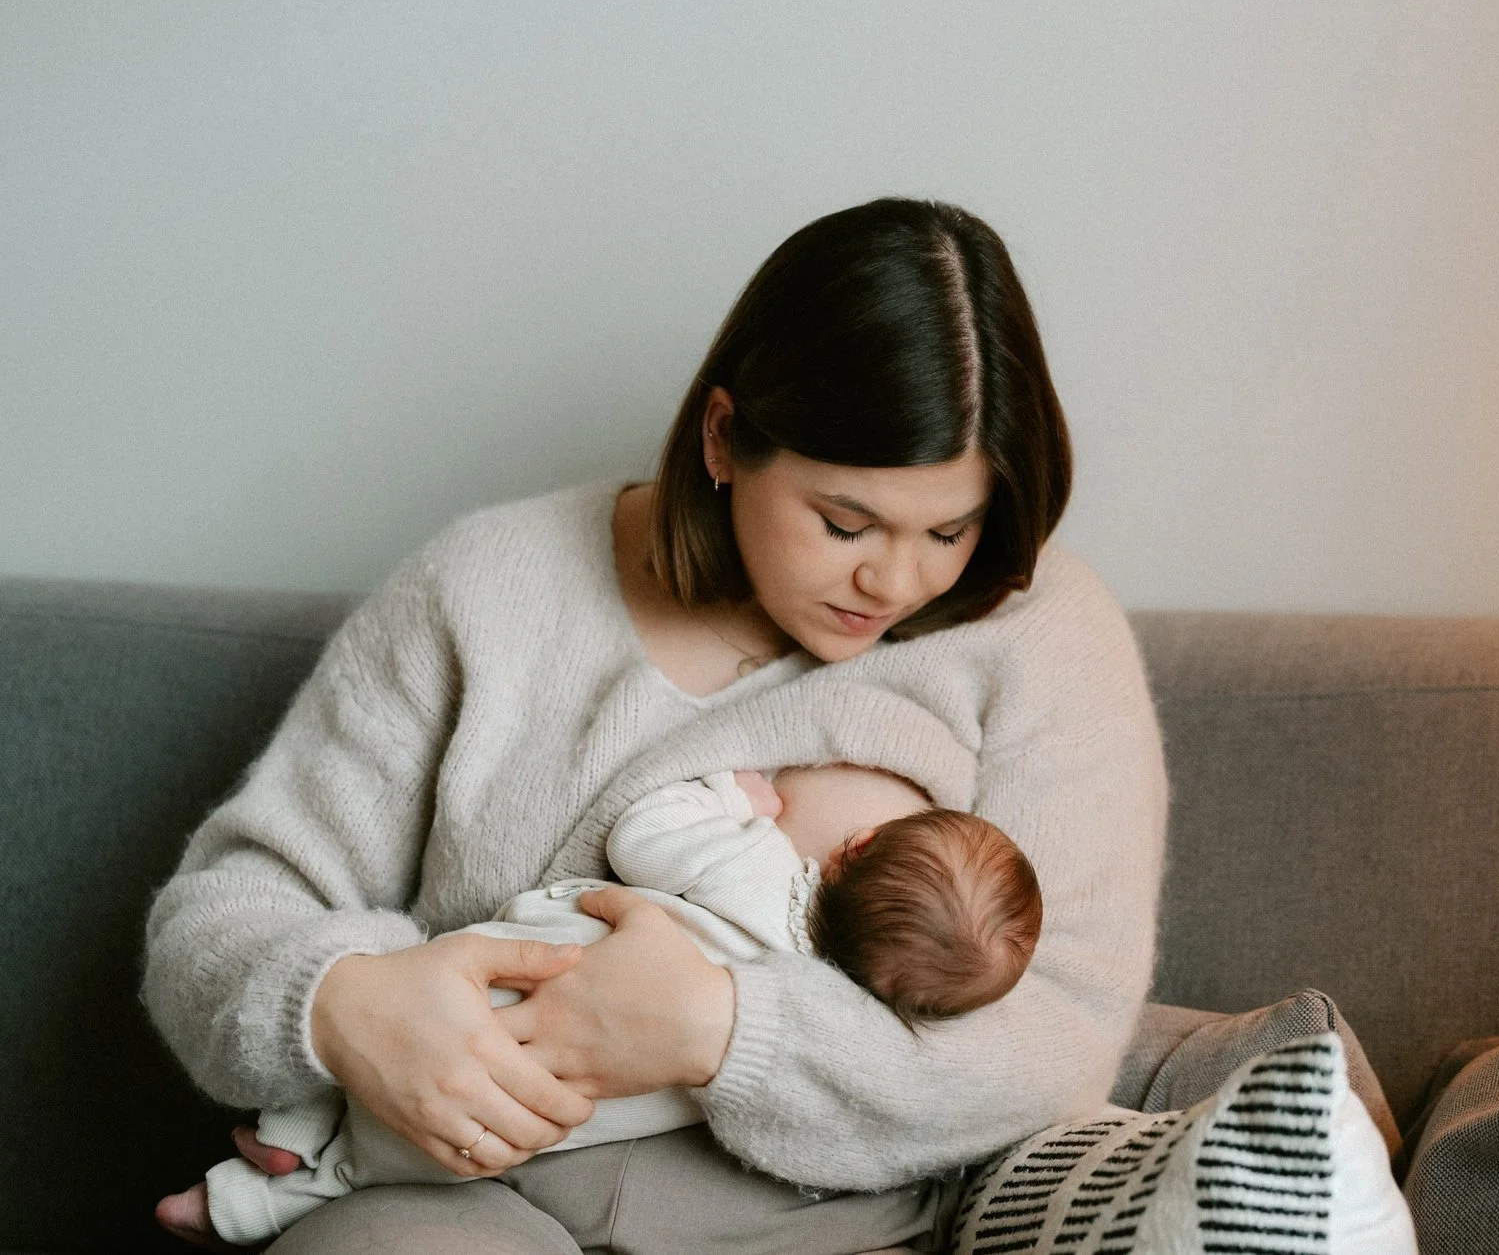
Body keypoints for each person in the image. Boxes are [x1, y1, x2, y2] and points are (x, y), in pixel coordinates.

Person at [143, 200, 1167, 1254]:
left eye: (950, 528)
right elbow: (219, 919)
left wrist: (725, 1032)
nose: (894, 579)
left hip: (836, 1224)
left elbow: (1060, 1035)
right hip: (470, 1197)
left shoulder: (1038, 633)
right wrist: (343, 1004)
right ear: (725, 436)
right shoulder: (489, 590)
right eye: (843, 521)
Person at [167, 761, 1044, 1246]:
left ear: (851, 848)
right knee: (371, 1162)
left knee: (361, 1078)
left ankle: (270, 1154)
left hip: (478, 1000)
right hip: (520, 1125)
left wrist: (734, 797)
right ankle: (252, 1203)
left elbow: (645, 833)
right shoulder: (827, 993)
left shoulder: (755, 862)